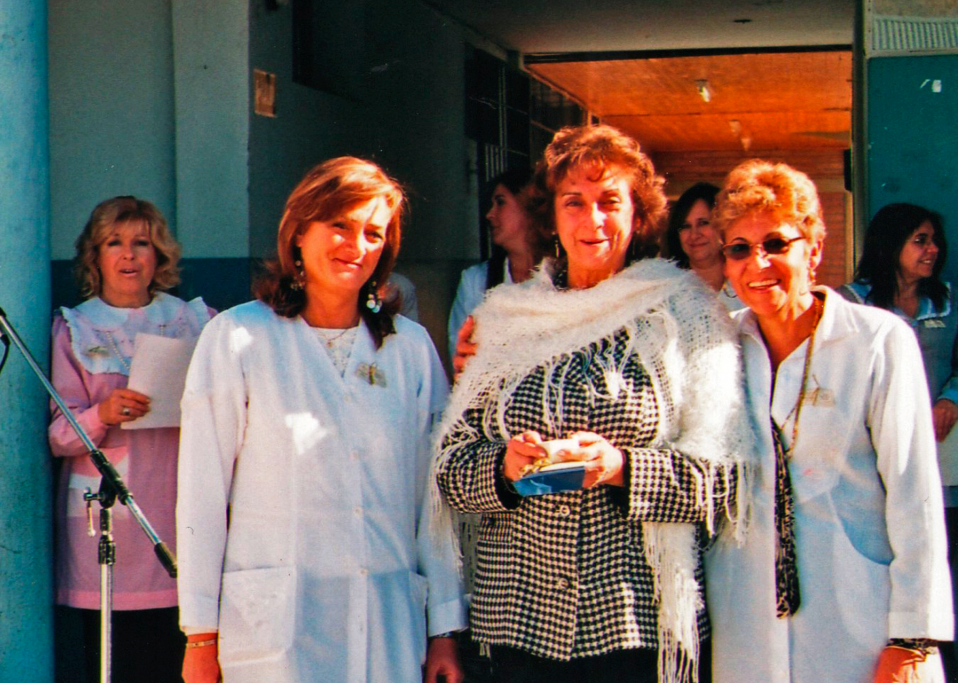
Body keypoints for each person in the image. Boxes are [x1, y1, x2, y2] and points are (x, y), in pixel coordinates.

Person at [435, 124, 752, 683]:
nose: (593, 219)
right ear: (551, 215)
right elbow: (449, 470)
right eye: (574, 202)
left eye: (610, 201)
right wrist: (505, 468)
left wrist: (621, 467)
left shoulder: (687, 314)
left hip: (637, 627)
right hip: (517, 628)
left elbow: (725, 478)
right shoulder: (504, 318)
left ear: (639, 214)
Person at [177, 157, 467, 683]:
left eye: (373, 233)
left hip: (388, 622)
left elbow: (433, 501)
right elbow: (201, 494)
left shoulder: (410, 348)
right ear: (298, 232)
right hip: (277, 628)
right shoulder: (237, 338)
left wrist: (444, 629)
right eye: (340, 226)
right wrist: (200, 634)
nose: (357, 246)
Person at [705, 161, 953, 683]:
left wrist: (912, 640)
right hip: (744, 626)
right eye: (739, 249)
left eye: (776, 243)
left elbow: (914, 494)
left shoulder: (876, 340)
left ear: (814, 249)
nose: (758, 262)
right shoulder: (713, 347)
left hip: (858, 624)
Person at [49, 196, 212, 683]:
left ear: (159, 256)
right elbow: (59, 436)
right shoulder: (75, 328)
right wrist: (102, 413)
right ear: (94, 257)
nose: (128, 255)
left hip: (179, 512)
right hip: (110, 525)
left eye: (141, 243)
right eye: (113, 243)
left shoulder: (195, 321)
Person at [839, 202, 958, 679]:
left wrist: (950, 398)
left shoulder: (946, 301)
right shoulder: (852, 303)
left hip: (941, 449)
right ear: (891, 245)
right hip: (875, 454)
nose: (931, 250)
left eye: (934, 241)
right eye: (919, 240)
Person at [447, 167, 540, 358]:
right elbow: (458, 352)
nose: (490, 214)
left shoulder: (562, 276)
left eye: (500, 202)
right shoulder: (475, 280)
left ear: (529, 207)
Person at [664, 181, 744, 311]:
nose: (694, 235)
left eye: (703, 223)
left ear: (723, 225)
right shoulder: (666, 293)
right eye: (685, 226)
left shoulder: (745, 285)